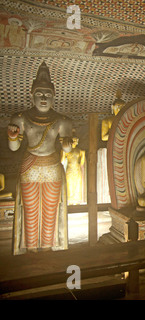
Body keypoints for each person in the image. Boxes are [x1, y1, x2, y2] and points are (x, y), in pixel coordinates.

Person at [7, 61, 73, 255]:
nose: (43, 98)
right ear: (31, 95)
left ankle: (46, 248)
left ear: (54, 96)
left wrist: (67, 146)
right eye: (39, 94)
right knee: (30, 209)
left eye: (47, 95)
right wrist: (12, 136)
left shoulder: (62, 120)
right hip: (31, 165)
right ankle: (31, 249)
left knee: (51, 208)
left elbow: (67, 149)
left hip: (52, 165)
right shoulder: (20, 118)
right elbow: (14, 147)